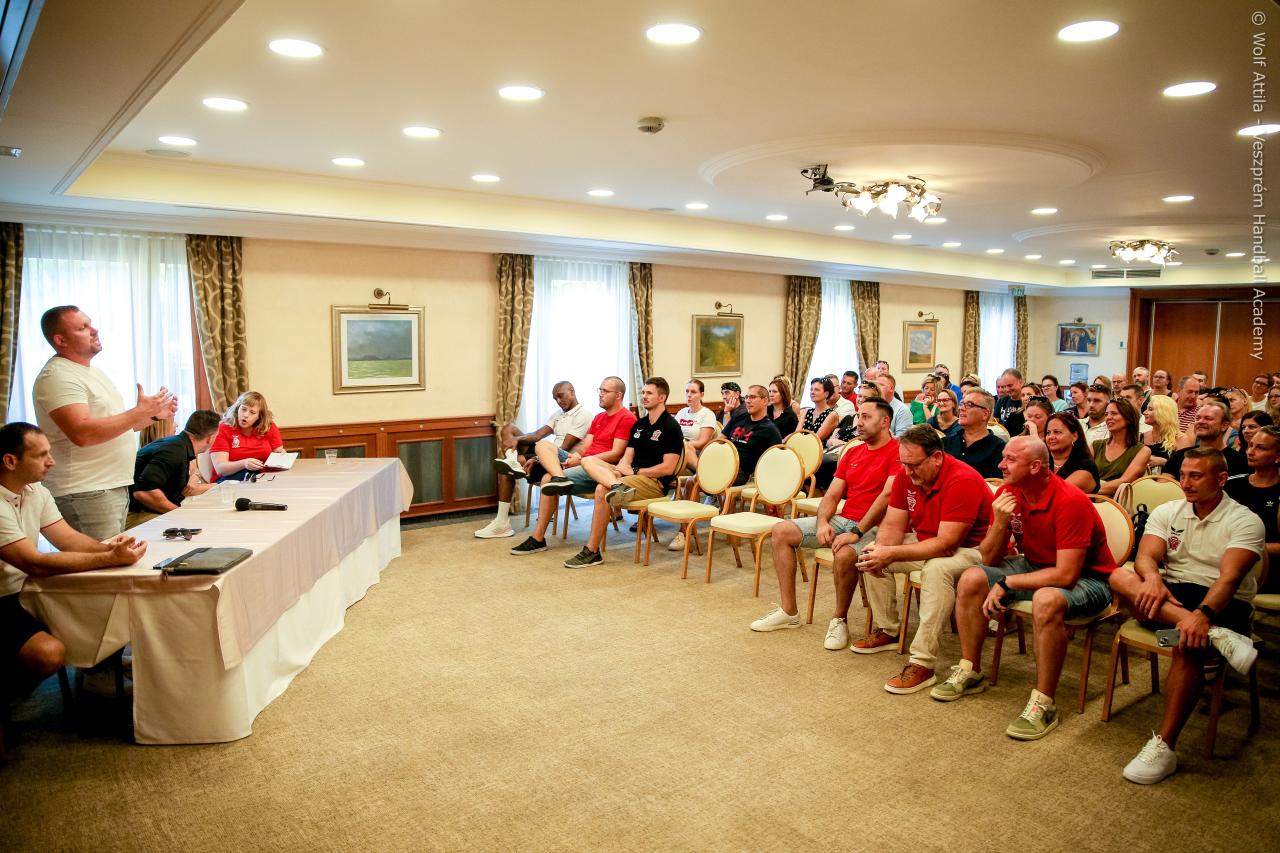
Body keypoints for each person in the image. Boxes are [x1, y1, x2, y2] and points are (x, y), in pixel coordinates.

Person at [933, 437, 1115, 738]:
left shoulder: (1070, 501)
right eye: (1003, 457)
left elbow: (1066, 575)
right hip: (1036, 565)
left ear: (1035, 467)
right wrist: (999, 523)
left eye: (1010, 459)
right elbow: (989, 559)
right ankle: (970, 669)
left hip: (1090, 580)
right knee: (972, 577)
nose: (1001, 465)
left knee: (1046, 600)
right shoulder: (1009, 493)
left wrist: (1008, 582)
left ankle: (1044, 703)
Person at [1110, 448, 1263, 784]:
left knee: (1186, 643)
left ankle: (1165, 746)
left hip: (1223, 603)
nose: (1186, 483)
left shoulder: (1245, 520)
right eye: (1183, 475)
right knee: (1120, 576)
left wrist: (1203, 615)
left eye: (1196, 476)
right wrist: (1152, 578)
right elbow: (1146, 556)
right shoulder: (1169, 511)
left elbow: (1229, 580)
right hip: (1173, 596)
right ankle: (1216, 637)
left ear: (1221, 479)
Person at [0, 423, 148, 701]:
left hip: (26, 589)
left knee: (102, 600)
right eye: (41, 455)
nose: (51, 461)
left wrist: (111, 550)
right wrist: (108, 558)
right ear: (10, 461)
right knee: (48, 653)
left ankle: (101, 670)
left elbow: (68, 539)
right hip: (5, 597)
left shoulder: (36, 491)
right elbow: (34, 564)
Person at [851, 424, 993, 694]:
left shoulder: (961, 479)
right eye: (903, 464)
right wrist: (881, 552)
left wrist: (891, 553)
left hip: (974, 549)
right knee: (870, 552)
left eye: (914, 465)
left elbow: (947, 544)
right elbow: (893, 526)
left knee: (937, 569)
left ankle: (922, 663)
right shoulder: (906, 474)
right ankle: (888, 630)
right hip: (930, 540)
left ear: (936, 457)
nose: (907, 472)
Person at [750, 399, 898, 637]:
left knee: (845, 554)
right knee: (781, 531)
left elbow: (886, 497)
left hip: (877, 528)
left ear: (885, 422)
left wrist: (856, 532)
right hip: (846, 520)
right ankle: (789, 612)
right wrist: (822, 523)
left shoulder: (898, 451)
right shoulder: (853, 452)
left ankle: (839, 620)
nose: (859, 423)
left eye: (866, 417)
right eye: (858, 416)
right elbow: (832, 495)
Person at [32, 305, 178, 540]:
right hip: (85, 490)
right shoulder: (58, 376)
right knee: (100, 561)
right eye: (83, 327)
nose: (94, 330)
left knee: (113, 557)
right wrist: (138, 412)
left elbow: (114, 428)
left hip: (110, 486)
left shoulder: (94, 373)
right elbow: (82, 433)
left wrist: (151, 416)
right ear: (60, 340)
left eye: (90, 323)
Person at [563, 378, 683, 568]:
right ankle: (617, 485)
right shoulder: (640, 424)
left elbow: (667, 468)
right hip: (629, 476)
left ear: (662, 397)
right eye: (643, 392)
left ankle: (592, 551)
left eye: (649, 393)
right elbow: (627, 457)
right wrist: (621, 470)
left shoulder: (671, 427)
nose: (644, 396)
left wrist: (634, 471)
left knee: (602, 489)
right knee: (587, 460)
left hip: (654, 482)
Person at [509, 377, 635, 555]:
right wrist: (577, 457)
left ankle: (538, 538)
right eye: (600, 390)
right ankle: (559, 477)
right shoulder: (599, 418)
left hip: (602, 468)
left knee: (547, 479)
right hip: (584, 461)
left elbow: (616, 453)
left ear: (618, 395)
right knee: (542, 445)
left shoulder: (626, 418)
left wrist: (582, 460)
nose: (600, 394)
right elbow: (585, 447)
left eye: (605, 391)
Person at [479, 382, 591, 539]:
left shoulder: (583, 415)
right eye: (555, 398)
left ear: (572, 391)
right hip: (546, 453)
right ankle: (512, 460)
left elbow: (564, 448)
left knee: (508, 468)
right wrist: (515, 439)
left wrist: (536, 456)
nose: (558, 401)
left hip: (560, 462)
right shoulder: (558, 415)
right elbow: (537, 435)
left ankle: (502, 522)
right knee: (508, 429)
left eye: (561, 396)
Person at [127, 409, 220, 528]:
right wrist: (179, 513)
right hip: (139, 514)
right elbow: (143, 492)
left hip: (150, 510)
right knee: (202, 526)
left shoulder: (179, 446)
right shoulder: (174, 451)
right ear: (210, 438)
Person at [1226, 426, 1280, 593]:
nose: (1251, 451)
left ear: (1278, 456)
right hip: (1225, 561)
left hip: (1270, 569)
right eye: (1250, 445)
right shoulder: (1231, 485)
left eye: (1260, 448)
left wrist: (1250, 547)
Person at [208, 391, 284, 482]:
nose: (245, 415)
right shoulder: (223, 428)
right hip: (230, 479)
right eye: (243, 409)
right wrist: (244, 463)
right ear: (237, 409)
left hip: (264, 478)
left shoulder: (269, 427)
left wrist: (281, 455)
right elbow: (220, 469)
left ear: (259, 416)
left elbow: (278, 455)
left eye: (252, 412)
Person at [1161, 402, 1248, 480]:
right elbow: (1164, 487)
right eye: (1197, 418)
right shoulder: (1180, 456)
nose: (1200, 422)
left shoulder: (1239, 462)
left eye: (1208, 418)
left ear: (1224, 425)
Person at [723, 385, 783, 486]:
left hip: (740, 472)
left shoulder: (770, 430)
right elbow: (720, 440)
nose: (747, 401)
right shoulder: (739, 418)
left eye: (752, 397)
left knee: (708, 479)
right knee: (695, 479)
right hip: (724, 460)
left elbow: (776, 462)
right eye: (746, 397)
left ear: (765, 401)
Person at [1092, 399, 1151, 497]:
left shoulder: (1142, 451)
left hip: (1117, 502)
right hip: (1088, 497)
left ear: (1128, 418)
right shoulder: (1096, 446)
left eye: (1114, 413)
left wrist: (1088, 490)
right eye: (1106, 414)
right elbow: (1082, 473)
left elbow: (1125, 481)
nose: (1108, 417)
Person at [944, 388, 1006, 479]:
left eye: (969, 405)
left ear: (985, 414)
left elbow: (995, 483)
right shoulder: (946, 443)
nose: (961, 408)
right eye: (962, 404)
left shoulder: (999, 449)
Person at [1044, 412, 1099, 493]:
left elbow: (1055, 493)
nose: (1051, 437)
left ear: (1074, 436)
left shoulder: (1085, 466)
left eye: (1057, 432)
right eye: (1048, 433)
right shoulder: (1043, 461)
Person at [674, 379, 718, 473]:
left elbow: (702, 442)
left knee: (686, 449)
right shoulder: (682, 412)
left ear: (701, 395)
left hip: (696, 453)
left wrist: (684, 445)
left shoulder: (707, 414)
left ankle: (704, 473)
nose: (689, 395)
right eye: (687, 391)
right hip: (677, 449)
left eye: (693, 392)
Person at [1143, 394, 1181, 468]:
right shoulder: (1141, 437)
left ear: (1163, 413)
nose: (1144, 412)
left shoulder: (1180, 438)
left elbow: (1183, 468)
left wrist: (1164, 462)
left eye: (1150, 409)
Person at [993, 370, 1026, 437]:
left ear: (1021, 382)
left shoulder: (1027, 402)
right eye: (1004, 386)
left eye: (1010, 385)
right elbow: (995, 424)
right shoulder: (1001, 401)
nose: (1007, 390)